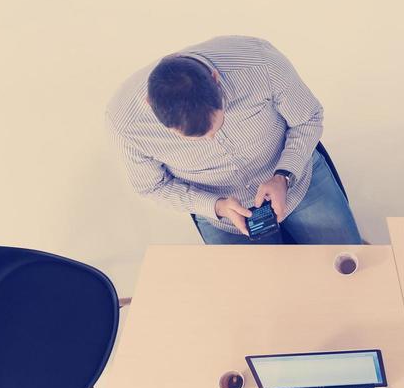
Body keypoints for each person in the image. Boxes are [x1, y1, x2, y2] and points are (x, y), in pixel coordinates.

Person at [106, 35, 363, 245]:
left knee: (351, 265)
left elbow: (308, 118)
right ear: (150, 105)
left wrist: (283, 175)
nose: (211, 139)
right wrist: (215, 206)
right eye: (195, 138)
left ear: (216, 81)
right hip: (224, 218)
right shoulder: (126, 124)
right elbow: (152, 186)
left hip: (300, 182)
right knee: (259, 299)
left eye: (216, 125)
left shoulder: (261, 64)